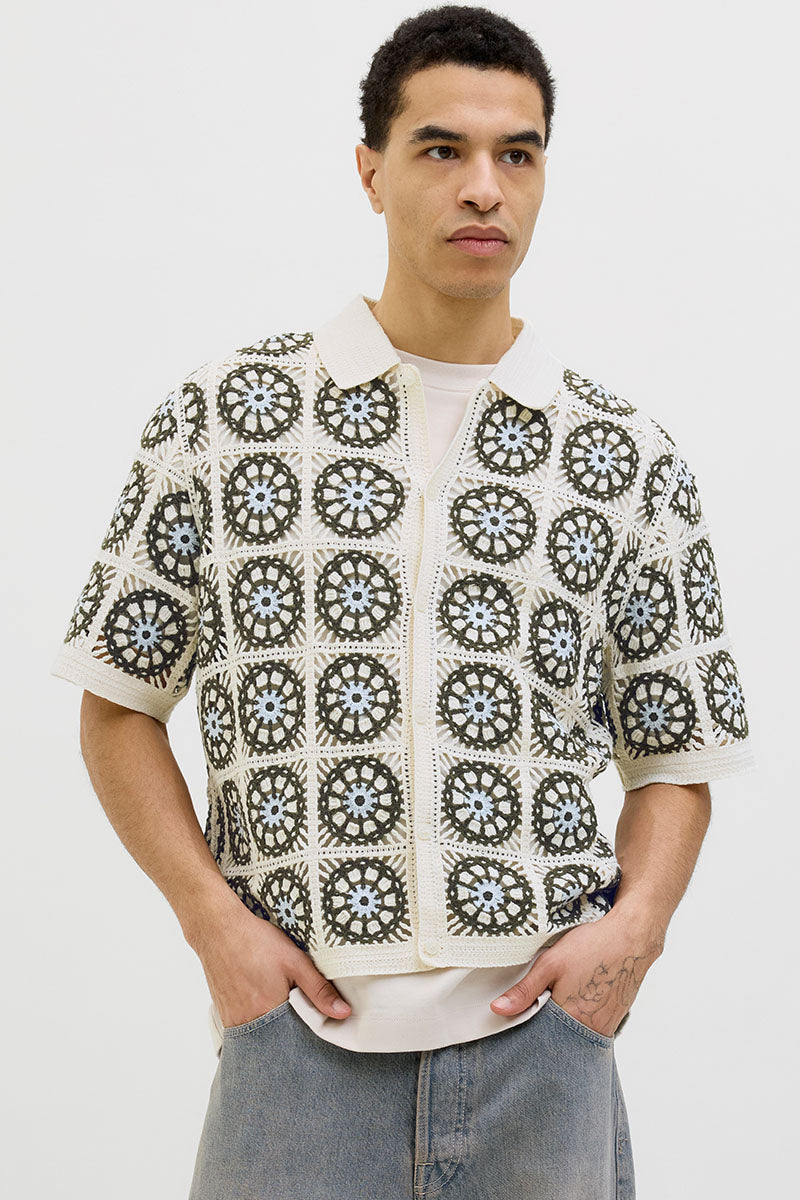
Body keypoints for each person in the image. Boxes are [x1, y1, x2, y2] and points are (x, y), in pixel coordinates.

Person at [51, 6, 756, 1198]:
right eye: (441, 149)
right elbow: (118, 704)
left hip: (543, 1054)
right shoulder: (225, 421)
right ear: (370, 170)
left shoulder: (621, 456)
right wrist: (213, 926)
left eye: (516, 154)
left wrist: (629, 939)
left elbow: (675, 757)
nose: (483, 186)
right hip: (294, 1051)